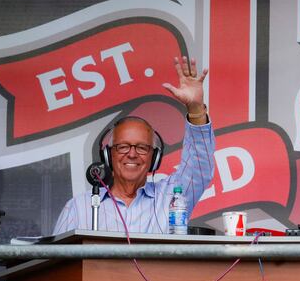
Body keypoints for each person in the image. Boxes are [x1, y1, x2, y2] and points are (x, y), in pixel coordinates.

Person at [53, 56, 215, 234]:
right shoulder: (78, 208)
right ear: (109, 155)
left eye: (141, 147)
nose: (132, 154)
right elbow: (57, 261)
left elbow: (198, 168)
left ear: (154, 157)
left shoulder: (172, 197)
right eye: (123, 146)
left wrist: (196, 109)